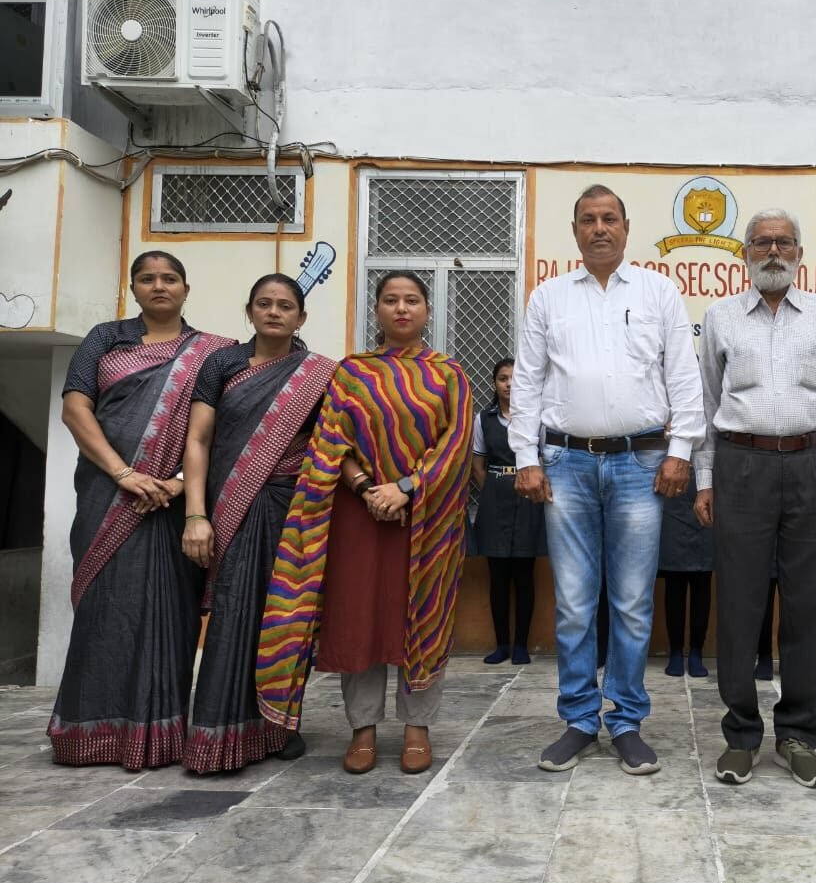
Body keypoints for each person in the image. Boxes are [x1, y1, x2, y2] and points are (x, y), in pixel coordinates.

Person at [510, 184, 704, 775]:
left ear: (625, 227)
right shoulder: (548, 297)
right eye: (588, 219)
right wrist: (525, 457)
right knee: (573, 603)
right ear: (574, 231)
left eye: (609, 218)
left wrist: (680, 449)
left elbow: (683, 375)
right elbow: (528, 381)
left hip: (639, 464)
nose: (599, 228)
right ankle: (577, 718)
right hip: (565, 465)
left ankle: (625, 721)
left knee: (632, 601)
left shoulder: (657, 291)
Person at [256, 271, 473, 775]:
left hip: (427, 517)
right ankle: (363, 728)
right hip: (359, 514)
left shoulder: (449, 374)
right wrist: (366, 488)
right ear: (376, 310)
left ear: (427, 311)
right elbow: (330, 441)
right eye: (391, 300)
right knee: (360, 617)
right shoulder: (351, 373)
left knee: (423, 614)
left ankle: (417, 727)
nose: (402, 308)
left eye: (412, 300)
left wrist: (406, 487)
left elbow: (457, 443)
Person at [47, 251, 234, 768]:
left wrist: (177, 484)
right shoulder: (105, 339)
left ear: (186, 288)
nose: (159, 286)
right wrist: (124, 474)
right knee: (103, 611)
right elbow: (75, 409)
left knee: (168, 616)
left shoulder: (214, 353)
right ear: (133, 288)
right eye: (147, 279)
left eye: (169, 278)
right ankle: (88, 733)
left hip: (173, 506)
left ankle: (157, 735)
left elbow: (217, 434)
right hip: (107, 496)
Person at [694, 208, 816, 788]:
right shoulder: (719, 317)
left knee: (808, 605)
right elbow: (706, 404)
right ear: (744, 253)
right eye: (761, 242)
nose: (772, 252)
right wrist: (706, 480)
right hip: (741, 466)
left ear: (799, 253)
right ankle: (741, 734)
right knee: (739, 605)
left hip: (812, 465)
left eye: (783, 242)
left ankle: (799, 735)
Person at [180, 274, 336, 772]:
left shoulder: (319, 374)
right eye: (264, 304)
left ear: (301, 317)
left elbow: (333, 445)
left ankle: (278, 726)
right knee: (232, 611)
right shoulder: (221, 364)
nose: (274, 312)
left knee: (288, 617)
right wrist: (196, 514)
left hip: (296, 511)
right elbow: (198, 439)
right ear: (249, 311)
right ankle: (218, 732)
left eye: (285, 306)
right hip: (232, 505)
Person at [471, 357, 545, 666]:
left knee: (524, 574)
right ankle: (502, 644)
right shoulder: (483, 419)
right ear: (494, 383)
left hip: (528, 498)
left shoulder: (536, 419)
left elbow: (545, 459)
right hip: (495, 498)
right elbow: (477, 464)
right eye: (503, 378)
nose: (509, 384)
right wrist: (494, 488)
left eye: (515, 378)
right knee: (498, 576)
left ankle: (521, 646)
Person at [658, 484, 712, 678]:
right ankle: (676, 652)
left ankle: (697, 652)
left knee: (702, 582)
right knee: (674, 582)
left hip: (707, 497)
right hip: (674, 499)